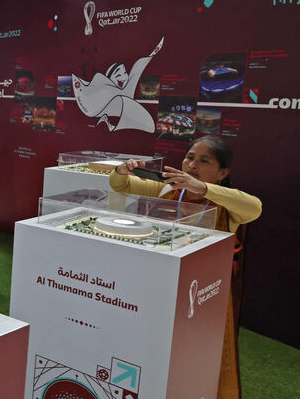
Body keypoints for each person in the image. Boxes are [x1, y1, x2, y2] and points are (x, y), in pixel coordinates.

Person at [109, 135, 261, 399]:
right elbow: (120, 186)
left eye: (204, 161)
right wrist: (121, 170)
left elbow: (255, 207)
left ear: (223, 172)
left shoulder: (226, 203)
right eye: (190, 157)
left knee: (196, 353)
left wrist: (202, 188)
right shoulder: (168, 190)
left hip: (201, 294)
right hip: (163, 282)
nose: (192, 164)